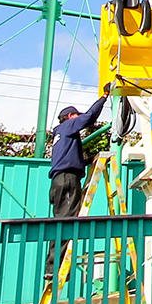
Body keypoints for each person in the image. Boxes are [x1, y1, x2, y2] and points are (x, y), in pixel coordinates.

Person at [48, 82, 112, 218]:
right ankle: (59, 241)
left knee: (59, 219)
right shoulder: (68, 125)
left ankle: (56, 240)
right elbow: (90, 116)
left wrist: (88, 160)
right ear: (71, 116)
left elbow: (68, 158)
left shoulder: (60, 135)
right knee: (67, 221)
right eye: (77, 116)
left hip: (57, 181)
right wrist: (104, 96)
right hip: (68, 178)